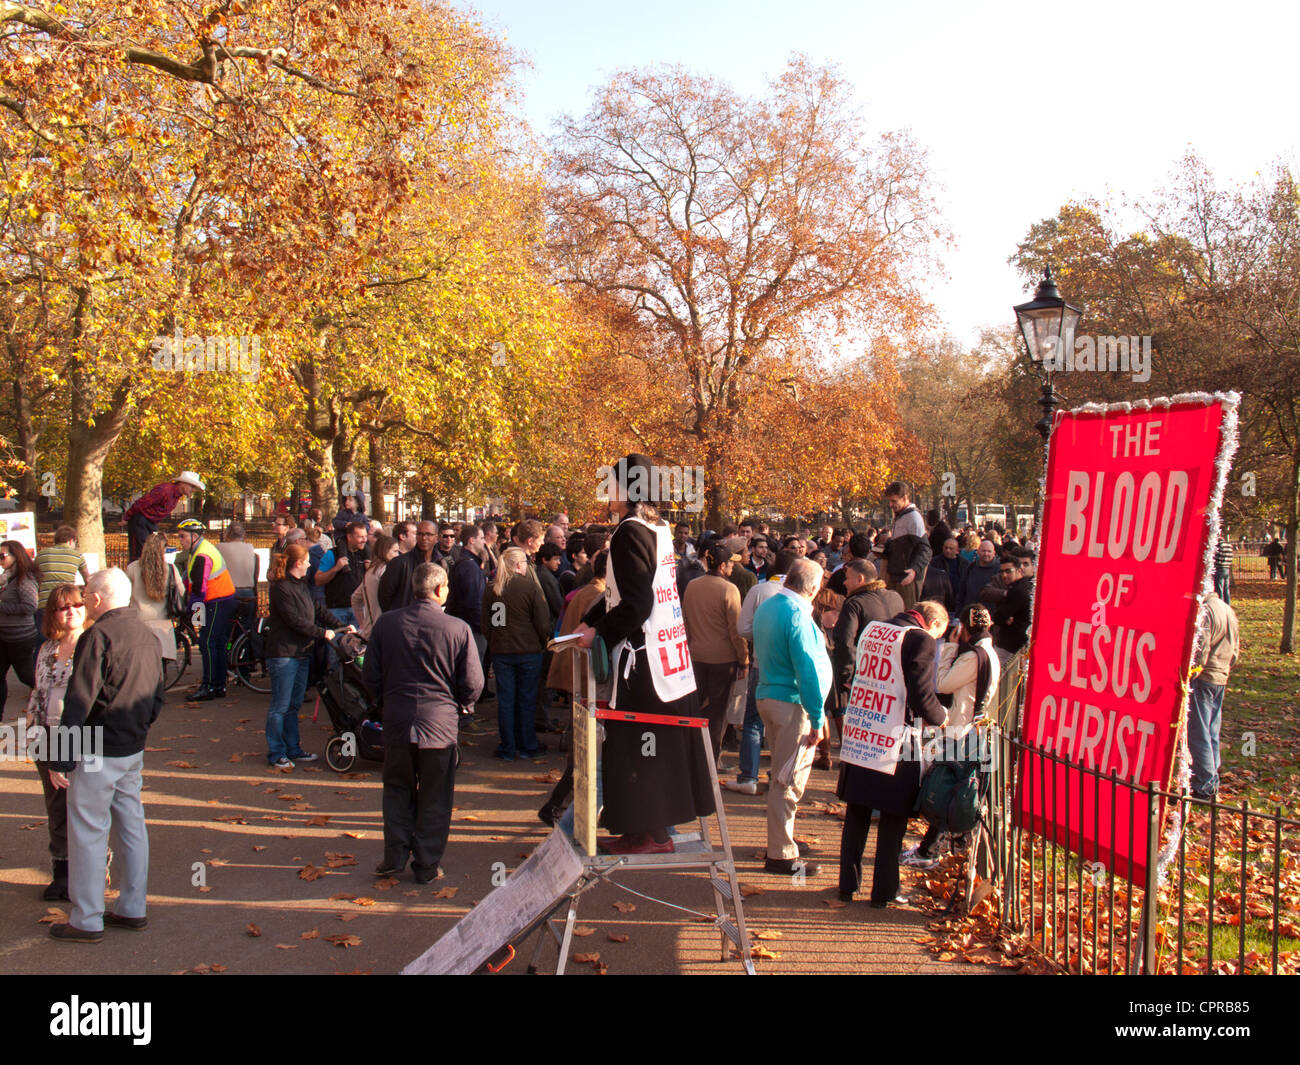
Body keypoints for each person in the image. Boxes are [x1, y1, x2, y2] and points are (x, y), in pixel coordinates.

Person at [572, 453, 715, 855]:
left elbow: (635, 603)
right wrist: (591, 618)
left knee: (638, 742)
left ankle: (653, 834)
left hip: (645, 657)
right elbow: (626, 593)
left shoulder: (628, 532)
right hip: (667, 653)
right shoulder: (659, 528)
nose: (606, 492)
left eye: (611, 484)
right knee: (644, 742)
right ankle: (640, 828)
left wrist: (596, 632)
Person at [46, 568, 163, 943]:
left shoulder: (98, 636)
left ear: (96, 598)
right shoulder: (147, 633)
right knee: (131, 824)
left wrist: (60, 757)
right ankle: (132, 906)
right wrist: (141, 728)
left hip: (98, 747)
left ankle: (87, 917)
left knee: (88, 831)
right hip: (130, 744)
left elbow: (78, 701)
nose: (85, 600)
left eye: (87, 595)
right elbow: (156, 694)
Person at [366, 562, 483, 882]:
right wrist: (464, 704)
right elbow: (472, 682)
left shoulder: (387, 625)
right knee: (435, 795)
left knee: (396, 789)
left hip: (398, 719)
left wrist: (382, 703)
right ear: (439, 590)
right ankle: (427, 863)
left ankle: (395, 854)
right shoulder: (457, 629)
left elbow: (370, 675)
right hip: (439, 724)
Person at [836, 599, 949, 908]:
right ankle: (884, 891)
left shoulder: (874, 629)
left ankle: (847, 885)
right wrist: (942, 717)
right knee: (892, 820)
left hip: (863, 733)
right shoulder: (921, 640)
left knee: (857, 814)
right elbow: (922, 695)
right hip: (897, 739)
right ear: (933, 624)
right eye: (939, 635)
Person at [901, 603, 999, 870]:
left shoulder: (972, 656)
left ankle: (929, 850)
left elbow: (942, 683)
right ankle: (942, 845)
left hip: (961, 728)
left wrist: (951, 649)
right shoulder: (989, 652)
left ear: (964, 628)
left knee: (943, 787)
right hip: (973, 727)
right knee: (959, 785)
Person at [751, 558, 832, 877]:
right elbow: (808, 670)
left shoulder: (769, 605)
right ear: (812, 587)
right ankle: (782, 853)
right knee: (788, 780)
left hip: (771, 695)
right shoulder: (796, 615)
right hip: (792, 704)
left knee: (783, 775)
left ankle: (783, 841)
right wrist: (816, 717)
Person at [25, 583, 87, 901]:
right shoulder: (47, 647)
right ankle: (61, 871)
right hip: (47, 734)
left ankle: (90, 870)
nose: (71, 611)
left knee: (83, 805)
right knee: (56, 806)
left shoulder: (91, 645)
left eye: (76, 604)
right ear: (53, 613)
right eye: (63, 607)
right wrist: (34, 732)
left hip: (79, 735)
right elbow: (37, 692)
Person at [265, 544, 344, 769]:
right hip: (284, 653)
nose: (311, 565)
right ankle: (276, 752)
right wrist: (322, 633)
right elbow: (294, 620)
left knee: (294, 704)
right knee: (280, 705)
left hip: (300, 652)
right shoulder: (281, 588)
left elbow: (316, 610)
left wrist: (340, 626)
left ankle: (293, 748)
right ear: (298, 563)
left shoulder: (301, 585)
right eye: (308, 561)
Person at [482, 546, 551, 761]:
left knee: (506, 700)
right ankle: (527, 744)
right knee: (527, 699)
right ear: (519, 565)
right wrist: (542, 642)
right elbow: (542, 623)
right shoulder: (530, 588)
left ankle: (508, 746)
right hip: (528, 651)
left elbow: (488, 623)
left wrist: (495, 643)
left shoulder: (493, 589)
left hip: (502, 651)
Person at [682, 541, 749, 759]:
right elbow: (735, 630)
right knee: (718, 711)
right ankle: (711, 758)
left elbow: (685, 620)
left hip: (696, 655)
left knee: (698, 707)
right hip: (723, 659)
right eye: (730, 562)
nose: (732, 566)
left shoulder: (693, 585)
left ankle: (693, 754)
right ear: (722, 565)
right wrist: (744, 659)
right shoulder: (729, 589)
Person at [175, 518, 237, 700]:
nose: (180, 540)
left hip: (216, 601)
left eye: (183, 536)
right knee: (217, 644)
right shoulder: (199, 550)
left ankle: (209, 686)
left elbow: (199, 591)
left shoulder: (202, 554)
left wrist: (193, 616)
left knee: (207, 643)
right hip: (221, 600)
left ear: (195, 536)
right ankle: (219, 686)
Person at [1188, 591, 1239, 799]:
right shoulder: (1228, 610)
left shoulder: (1207, 612)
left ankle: (1205, 784)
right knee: (1212, 730)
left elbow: (1202, 648)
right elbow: (1235, 650)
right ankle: (1212, 777)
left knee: (1199, 732)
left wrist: (1194, 672)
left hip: (1205, 677)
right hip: (1221, 676)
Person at [316, 520, 370, 669]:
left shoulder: (365, 554)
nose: (364, 540)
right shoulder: (332, 554)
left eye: (365, 536)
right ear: (349, 537)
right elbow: (318, 579)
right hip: (337, 610)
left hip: (358, 610)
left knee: (359, 650)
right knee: (336, 651)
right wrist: (336, 568)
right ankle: (335, 682)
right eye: (360, 537)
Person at [126, 533, 185, 664]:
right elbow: (181, 592)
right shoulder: (170, 569)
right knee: (161, 665)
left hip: (139, 621)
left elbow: (125, 594)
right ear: (164, 548)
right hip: (163, 622)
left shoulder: (133, 568)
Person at [122, 471, 204, 563]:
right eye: (192, 487)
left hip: (151, 522)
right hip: (140, 521)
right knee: (140, 553)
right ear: (182, 484)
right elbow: (141, 503)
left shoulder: (176, 496)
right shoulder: (164, 490)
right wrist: (127, 517)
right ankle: (136, 575)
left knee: (153, 551)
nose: (193, 490)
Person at [1, 540, 41, 717]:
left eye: (2, 555)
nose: (0, 559)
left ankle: (50, 695)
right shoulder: (8, 576)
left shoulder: (24, 579)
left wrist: (2, 605)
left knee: (25, 675)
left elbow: (30, 607)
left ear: (16, 556)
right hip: (4, 636)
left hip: (20, 638)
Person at [882, 481, 931, 610]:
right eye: (890, 501)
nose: (891, 505)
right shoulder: (900, 516)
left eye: (894, 501)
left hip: (906, 577)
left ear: (904, 498)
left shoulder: (913, 517)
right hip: (896, 575)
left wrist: (914, 570)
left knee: (905, 613)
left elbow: (925, 549)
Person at [34, 526, 91, 634]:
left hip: (44, 604)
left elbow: (35, 578)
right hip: (67, 606)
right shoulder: (77, 556)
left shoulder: (41, 555)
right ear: (71, 541)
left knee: (43, 639)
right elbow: (88, 579)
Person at [379, 521, 439, 612]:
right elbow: (384, 596)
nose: (424, 538)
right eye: (419, 534)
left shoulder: (442, 563)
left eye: (428, 534)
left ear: (436, 538)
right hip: (403, 620)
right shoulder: (399, 563)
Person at [991, 550, 1035, 665]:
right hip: (1018, 644)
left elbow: (998, 617)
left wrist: (1002, 616)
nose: (1004, 575)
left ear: (1019, 570)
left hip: (1010, 646)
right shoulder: (1025, 586)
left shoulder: (1017, 591)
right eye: (1002, 572)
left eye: (1008, 571)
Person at [352, 534, 398, 639]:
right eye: (395, 551)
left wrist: (363, 623)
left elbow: (355, 598)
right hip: (384, 631)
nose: (398, 555)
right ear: (384, 551)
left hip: (370, 629)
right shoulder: (385, 571)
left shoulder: (370, 571)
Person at [219, 521, 260, 635]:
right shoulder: (250, 549)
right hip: (248, 593)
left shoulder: (219, 548)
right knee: (246, 626)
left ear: (227, 534)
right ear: (243, 535)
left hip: (229, 592)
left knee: (226, 626)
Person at [1212, 538, 1233, 605]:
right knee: (1226, 589)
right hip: (1227, 568)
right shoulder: (1229, 546)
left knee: (1219, 589)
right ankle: (1227, 604)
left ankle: (1220, 604)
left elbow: (1216, 557)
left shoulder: (1219, 545)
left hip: (1219, 568)